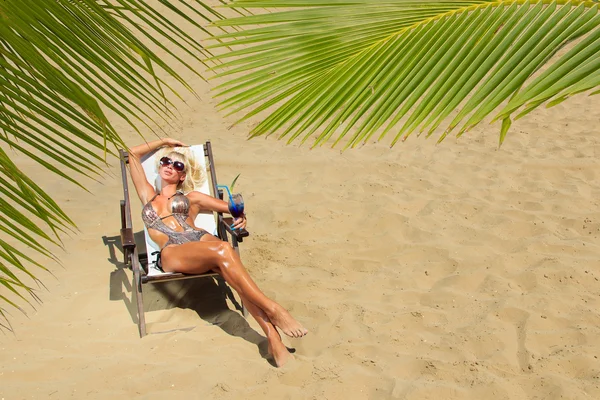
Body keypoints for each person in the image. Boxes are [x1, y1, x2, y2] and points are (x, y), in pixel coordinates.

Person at [127, 138, 307, 367]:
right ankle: (274, 309)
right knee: (224, 249)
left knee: (226, 261)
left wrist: (241, 217)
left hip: (201, 240)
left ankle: (272, 336)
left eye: (178, 165)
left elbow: (233, 208)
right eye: (165, 161)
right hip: (172, 249)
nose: (170, 165)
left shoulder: (192, 197)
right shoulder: (148, 195)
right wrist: (164, 142)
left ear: (183, 176)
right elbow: (132, 154)